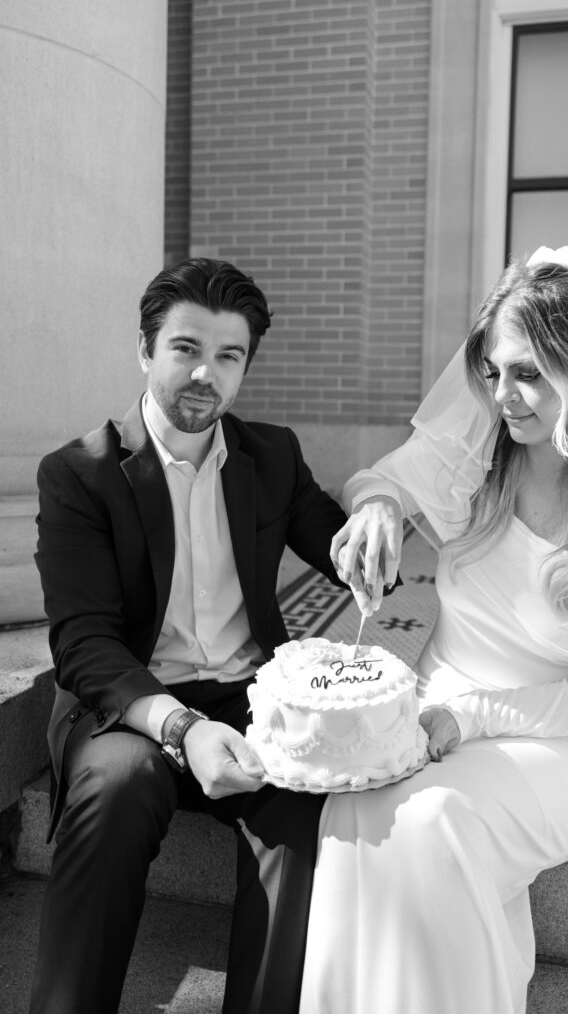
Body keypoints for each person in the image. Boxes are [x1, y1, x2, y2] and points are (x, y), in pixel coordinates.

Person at [299, 246, 568, 1014]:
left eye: (529, 374)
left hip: (557, 745)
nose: (502, 396)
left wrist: (469, 716)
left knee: (434, 821)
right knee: (350, 807)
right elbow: (381, 477)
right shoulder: (482, 455)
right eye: (492, 370)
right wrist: (377, 505)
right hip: (431, 710)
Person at [30, 257, 377, 1014]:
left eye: (229, 356)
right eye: (186, 348)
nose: (205, 375)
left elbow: (338, 540)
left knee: (303, 798)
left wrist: (374, 528)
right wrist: (181, 729)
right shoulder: (80, 474)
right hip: (130, 702)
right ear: (145, 349)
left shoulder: (271, 455)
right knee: (121, 785)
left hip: (250, 694)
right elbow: (84, 644)